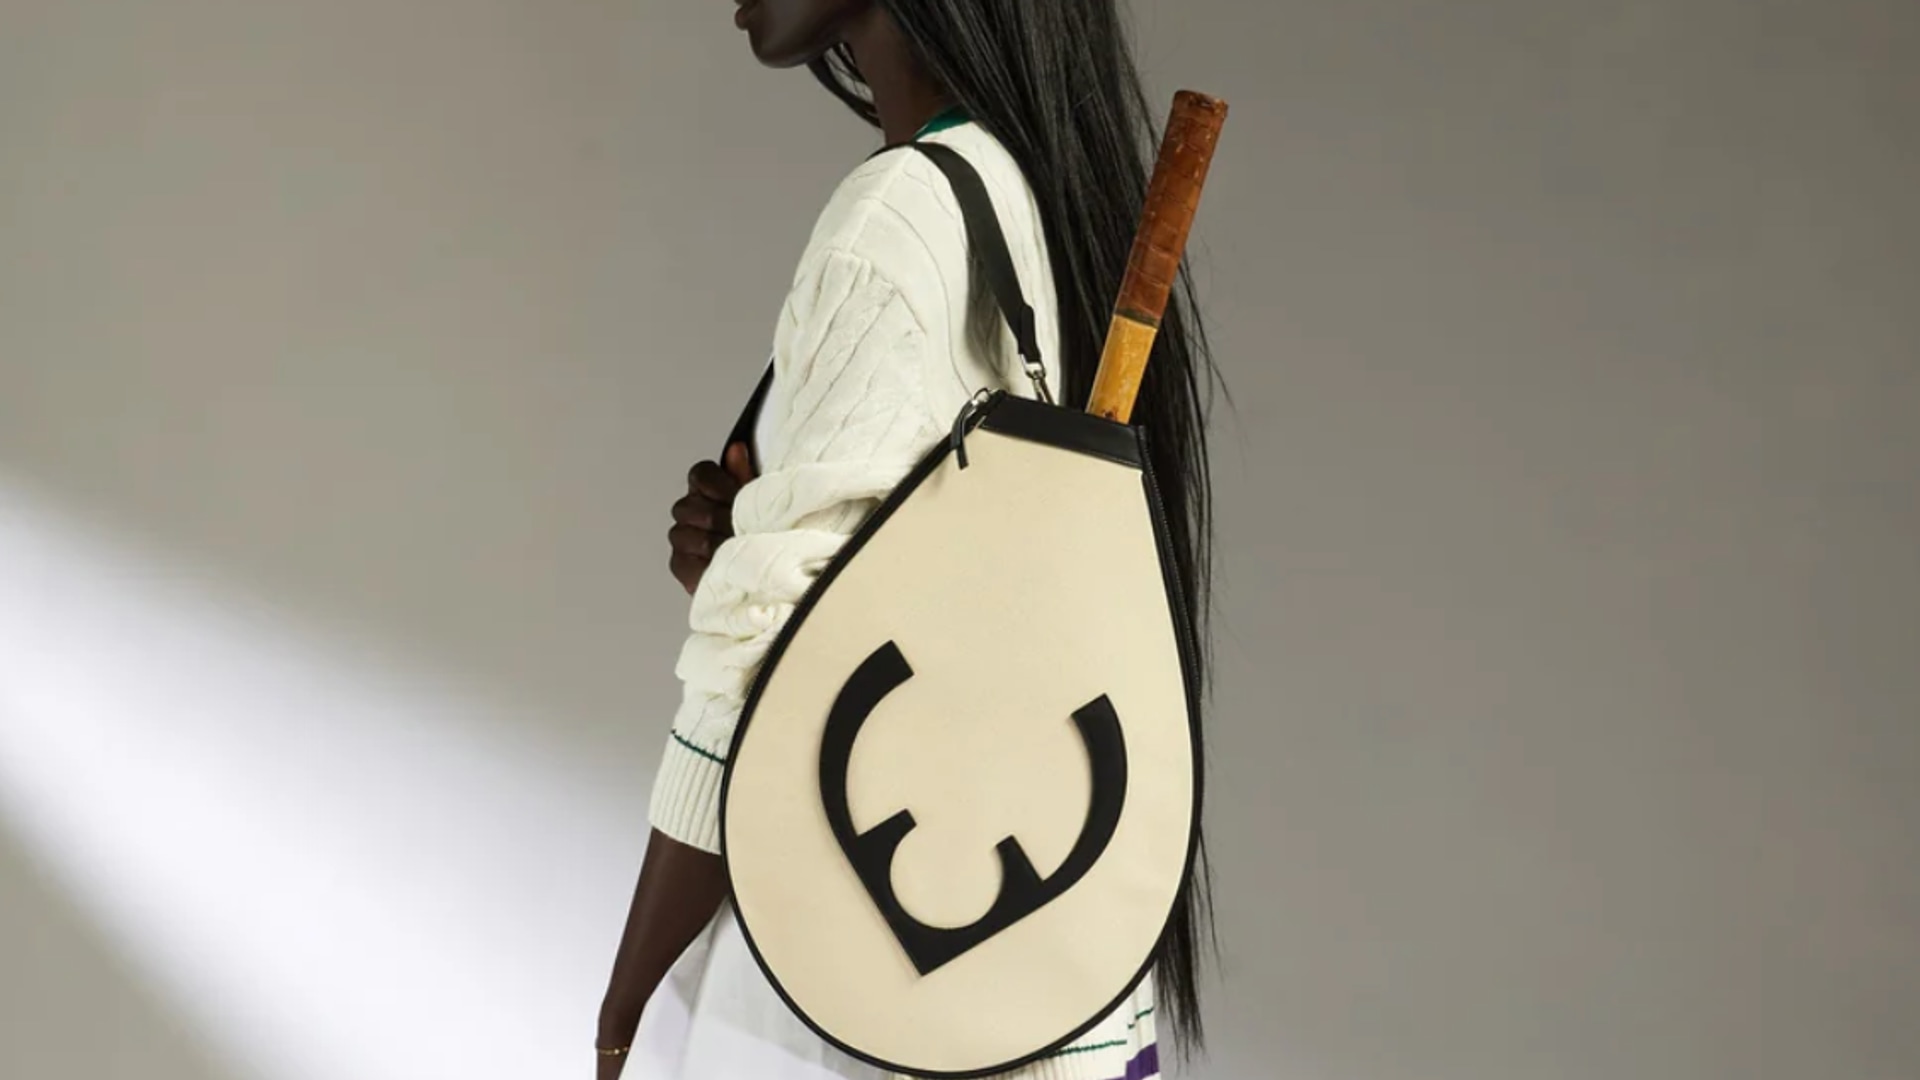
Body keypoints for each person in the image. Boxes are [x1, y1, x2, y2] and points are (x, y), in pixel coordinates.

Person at [596, 2, 1219, 1077]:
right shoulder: (1033, 192)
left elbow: (759, 650)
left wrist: (629, 991)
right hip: (1019, 990)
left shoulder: (898, 216)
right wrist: (759, 551)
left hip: (849, 974)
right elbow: (952, 581)